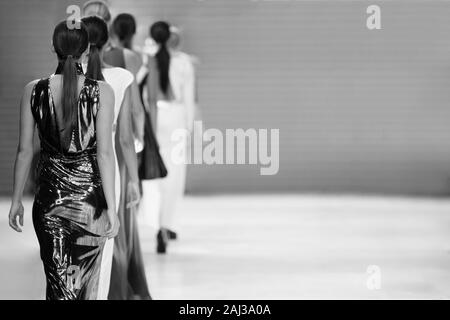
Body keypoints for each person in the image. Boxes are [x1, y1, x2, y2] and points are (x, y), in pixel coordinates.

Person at [8, 20, 117, 300]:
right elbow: (105, 153)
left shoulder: (33, 90)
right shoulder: (102, 92)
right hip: (90, 203)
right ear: (88, 51)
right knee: (85, 287)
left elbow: (24, 150)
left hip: (49, 203)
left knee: (59, 286)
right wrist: (113, 209)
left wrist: (17, 199)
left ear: (52, 48)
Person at [82, 15, 151, 300]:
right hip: (109, 174)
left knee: (76, 250)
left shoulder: (63, 77)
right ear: (107, 40)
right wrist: (134, 180)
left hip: (72, 175)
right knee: (107, 246)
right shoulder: (121, 78)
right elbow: (124, 139)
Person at [148, 21, 196, 253]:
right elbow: (189, 98)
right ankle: (165, 226)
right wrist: (189, 128)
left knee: (154, 178)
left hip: (154, 117)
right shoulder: (184, 63)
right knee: (174, 177)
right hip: (176, 117)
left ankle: (158, 223)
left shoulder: (147, 59)